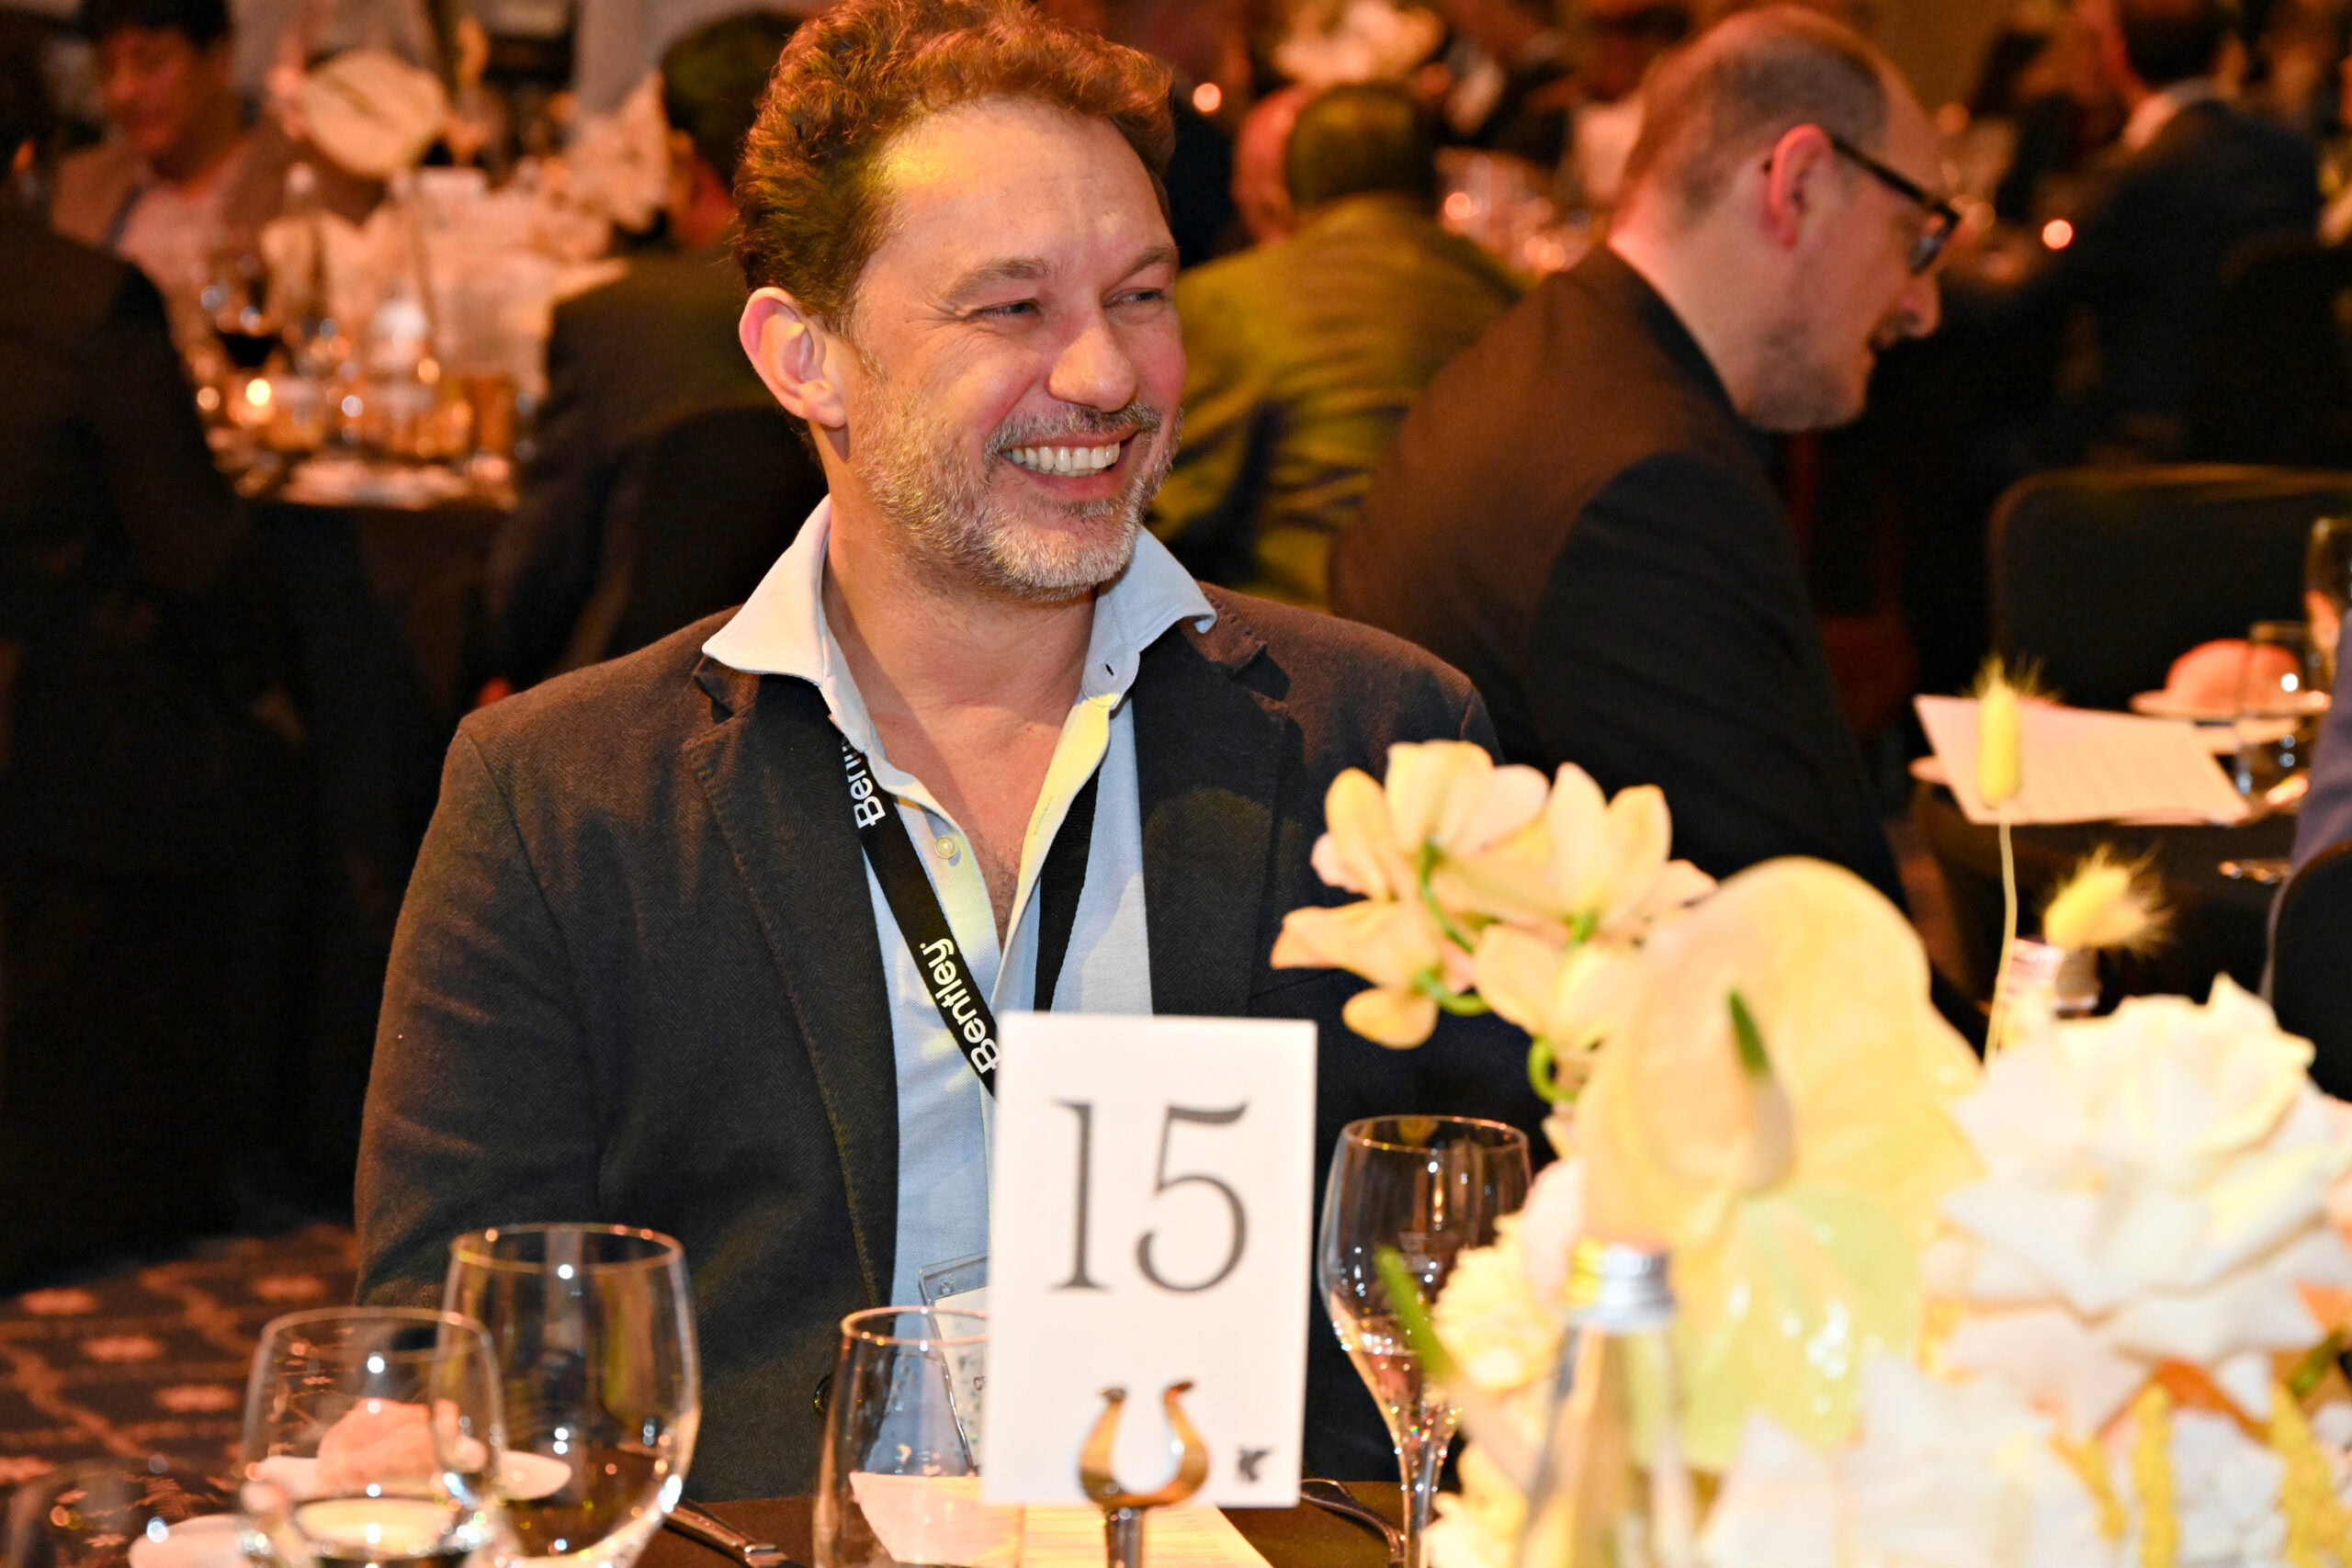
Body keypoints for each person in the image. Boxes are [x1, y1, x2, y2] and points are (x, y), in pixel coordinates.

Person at [356, 0, 1541, 1500]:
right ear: (807, 357)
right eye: (1012, 308)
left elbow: (1505, 1291)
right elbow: (452, 1346)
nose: (1106, 374)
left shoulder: (1379, 745)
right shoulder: (565, 798)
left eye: (1143, 294)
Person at [1333, 4, 1950, 912]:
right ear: (1800, 185)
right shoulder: (1650, 488)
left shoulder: (1550, 358)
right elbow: (1796, 936)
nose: (1923, 306)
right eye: (1917, 238)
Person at [0, 24, 300, 1284]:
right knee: (292, 737)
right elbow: (197, 555)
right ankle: (259, 1137)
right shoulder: (79, 303)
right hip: (59, 756)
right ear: (28, 154)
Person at [482, 9, 822, 690]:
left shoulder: (611, 321)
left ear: (684, 159)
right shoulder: (859, 313)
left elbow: (532, 589)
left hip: (626, 704)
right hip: (817, 683)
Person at [1152, 82, 1520, 608]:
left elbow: (1160, 510)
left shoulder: (1229, 300)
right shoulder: (1515, 296)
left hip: (1305, 631)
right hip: (1475, 632)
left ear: (1287, 196)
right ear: (1436, 189)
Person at [1962, 0, 2320, 463]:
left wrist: (1933, 264)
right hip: (2271, 444)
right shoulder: (2292, 156)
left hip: (2134, 443)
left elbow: (2022, 301)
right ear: (2221, 55)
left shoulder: (2135, 173)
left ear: (2117, 55)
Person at [50, 0, 371, 309]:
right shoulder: (82, 183)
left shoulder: (314, 177)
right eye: (107, 69)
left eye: (151, 63)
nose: (124, 91)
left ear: (219, 57)